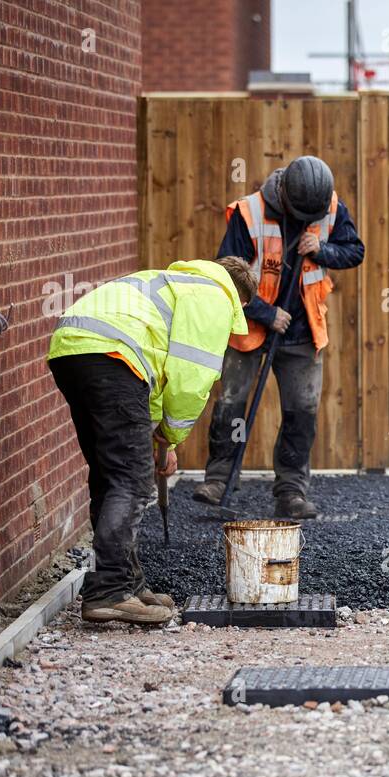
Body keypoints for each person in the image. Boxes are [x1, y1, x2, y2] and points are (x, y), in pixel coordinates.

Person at [47, 257, 257, 624]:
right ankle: (108, 591)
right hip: (113, 357)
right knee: (131, 481)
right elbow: (190, 379)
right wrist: (173, 436)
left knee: (110, 476)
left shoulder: (174, 283)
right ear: (239, 302)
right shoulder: (215, 300)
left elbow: (156, 381)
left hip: (73, 351)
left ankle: (127, 583)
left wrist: (162, 443)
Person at [191, 156, 365, 519]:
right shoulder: (250, 212)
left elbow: (355, 252)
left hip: (304, 331)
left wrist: (322, 249)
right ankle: (219, 480)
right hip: (251, 327)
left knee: (301, 413)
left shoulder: (329, 206)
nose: (307, 221)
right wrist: (267, 313)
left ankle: (291, 492)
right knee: (231, 405)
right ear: (284, 196)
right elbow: (227, 272)